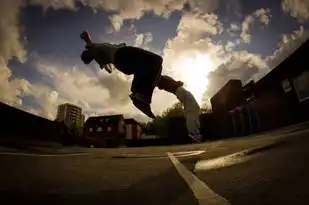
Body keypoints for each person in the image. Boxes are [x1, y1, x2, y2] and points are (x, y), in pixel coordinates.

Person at [80, 31, 202, 142]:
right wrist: (87, 38)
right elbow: (89, 42)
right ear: (89, 53)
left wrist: (105, 62)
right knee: (156, 61)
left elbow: (109, 70)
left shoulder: (101, 58)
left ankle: (160, 88)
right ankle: (142, 95)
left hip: (123, 63)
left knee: (155, 74)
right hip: (123, 55)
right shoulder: (93, 50)